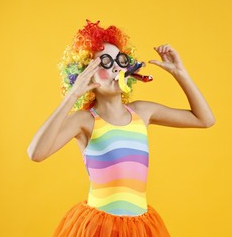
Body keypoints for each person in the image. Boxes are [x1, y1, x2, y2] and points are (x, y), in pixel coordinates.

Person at [27, 20, 216, 236]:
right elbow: (36, 153)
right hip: (99, 229)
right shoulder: (84, 121)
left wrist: (180, 73)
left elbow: (205, 119)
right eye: (105, 62)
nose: (116, 66)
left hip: (140, 227)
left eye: (120, 60)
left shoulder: (142, 112)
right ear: (85, 73)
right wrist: (73, 94)